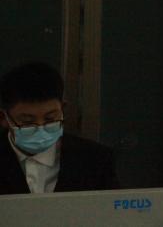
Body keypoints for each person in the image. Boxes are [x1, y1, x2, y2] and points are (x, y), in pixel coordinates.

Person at [0, 62, 118, 194]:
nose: (41, 129)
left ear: (63, 109)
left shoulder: (95, 160)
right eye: (28, 122)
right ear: (4, 118)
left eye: (50, 119)